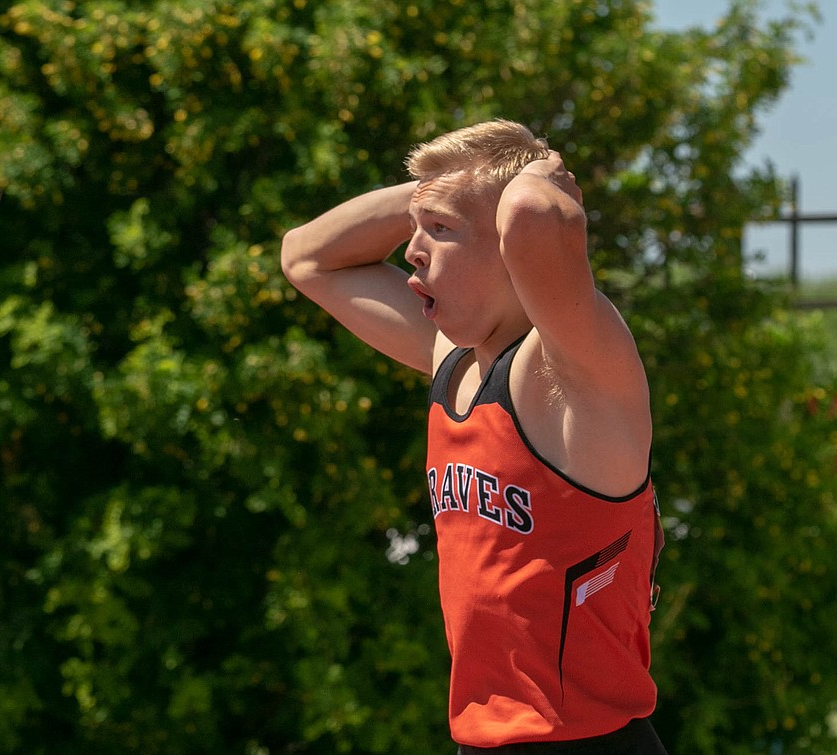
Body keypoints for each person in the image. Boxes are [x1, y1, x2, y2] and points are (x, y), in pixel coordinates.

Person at [280, 119, 666, 754]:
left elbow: (537, 214)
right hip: (481, 740)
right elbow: (305, 256)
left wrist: (529, 171)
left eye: (441, 232)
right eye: (416, 228)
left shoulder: (574, 374)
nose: (411, 249)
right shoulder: (454, 359)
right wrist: (433, 195)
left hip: (588, 743)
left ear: (508, 248)